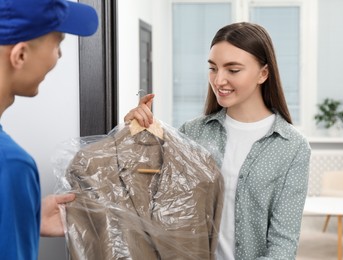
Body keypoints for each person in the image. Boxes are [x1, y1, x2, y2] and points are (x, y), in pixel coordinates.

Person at [125, 22, 311, 259]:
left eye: (233, 70)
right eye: (213, 68)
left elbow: (283, 247)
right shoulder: (192, 133)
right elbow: (150, 197)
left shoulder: (292, 147)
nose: (219, 80)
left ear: (263, 73)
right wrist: (134, 134)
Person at [0, 0, 98, 259]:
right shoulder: (10, 164)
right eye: (58, 42)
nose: (60, 55)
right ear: (20, 55)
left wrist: (25, 218)